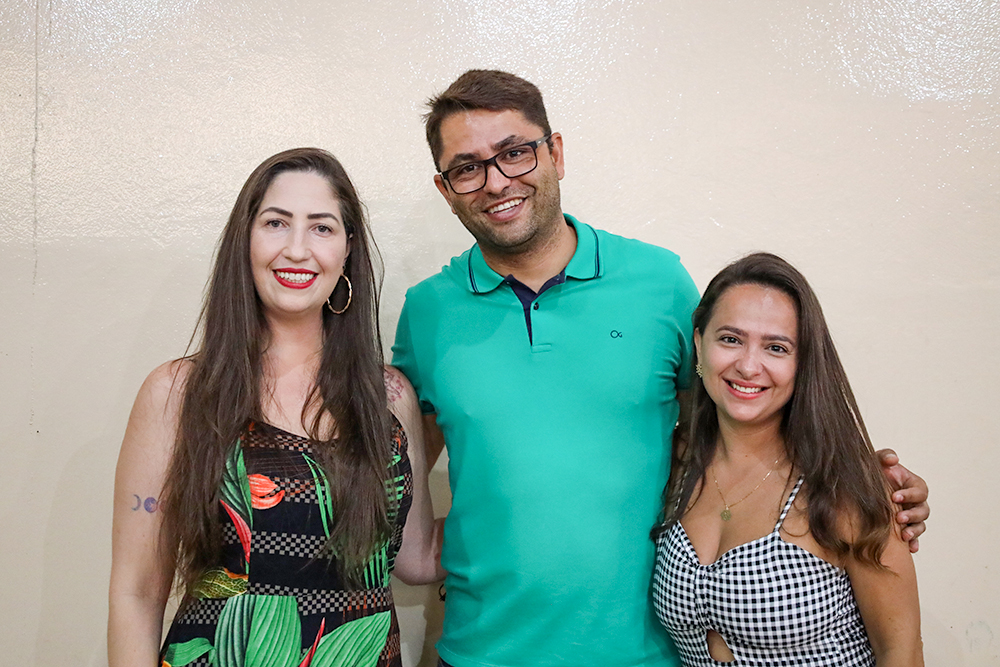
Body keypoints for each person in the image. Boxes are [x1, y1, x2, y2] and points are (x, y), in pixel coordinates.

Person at [391, 70, 929, 667]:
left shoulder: (660, 284)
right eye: (467, 168)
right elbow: (397, 477)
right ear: (445, 189)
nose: (496, 182)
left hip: (645, 654)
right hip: (479, 653)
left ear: (556, 153)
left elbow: (734, 418)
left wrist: (865, 489)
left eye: (515, 153)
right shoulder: (427, 312)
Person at [108, 148, 442, 667]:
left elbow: (416, 558)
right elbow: (136, 593)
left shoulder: (389, 397)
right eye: (275, 223)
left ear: (348, 249)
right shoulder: (177, 393)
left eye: (322, 228)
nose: (297, 249)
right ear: (245, 239)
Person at [652, 253, 922, 665]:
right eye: (730, 339)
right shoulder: (675, 464)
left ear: (803, 362)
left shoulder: (844, 485)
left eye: (776, 348)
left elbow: (901, 652)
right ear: (699, 343)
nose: (748, 366)